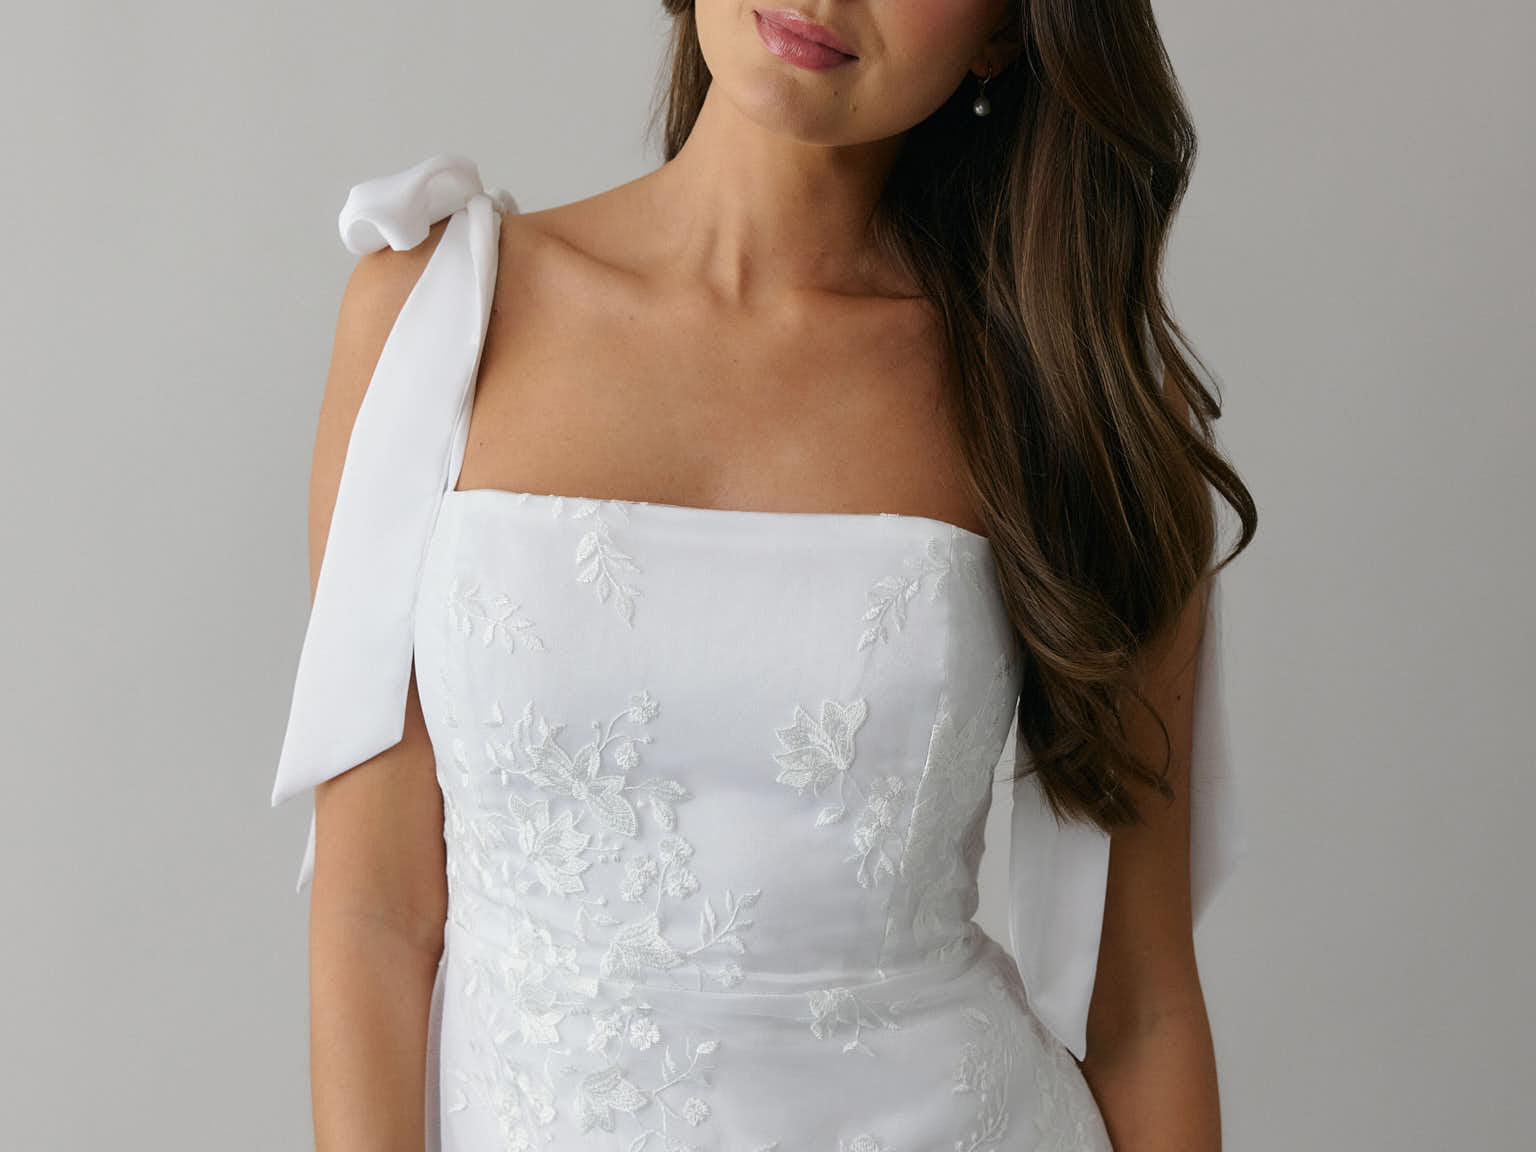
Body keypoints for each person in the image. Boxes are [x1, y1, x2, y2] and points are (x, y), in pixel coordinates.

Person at [270, 3, 1257, 1149]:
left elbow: (1140, 1008)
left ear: (1003, 33)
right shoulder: (435, 317)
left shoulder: (1075, 401)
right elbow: (376, 913)